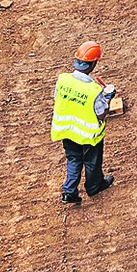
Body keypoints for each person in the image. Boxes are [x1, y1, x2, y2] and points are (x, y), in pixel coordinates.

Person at [51, 41, 116, 204]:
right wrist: (108, 97)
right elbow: (101, 114)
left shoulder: (62, 80)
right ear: (93, 64)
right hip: (88, 136)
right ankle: (94, 187)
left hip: (67, 131)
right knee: (91, 162)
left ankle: (69, 191)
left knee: (73, 159)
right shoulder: (94, 90)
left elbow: (58, 98)